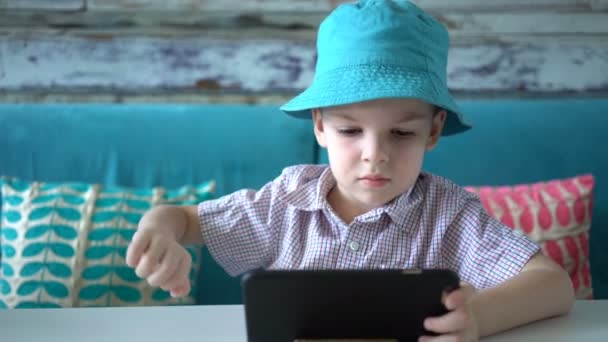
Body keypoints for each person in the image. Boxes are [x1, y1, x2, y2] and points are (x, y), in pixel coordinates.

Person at [125, 0, 574, 340]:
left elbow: (553, 285)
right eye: (350, 130)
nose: (374, 155)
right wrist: (158, 231)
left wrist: (479, 316)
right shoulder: (286, 202)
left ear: (433, 131)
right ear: (320, 126)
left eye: (400, 134)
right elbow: (182, 219)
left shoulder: (450, 215)